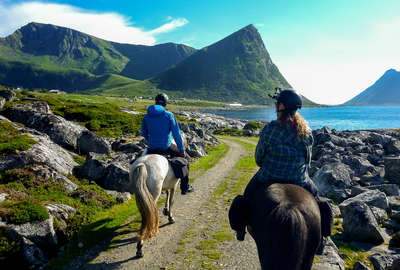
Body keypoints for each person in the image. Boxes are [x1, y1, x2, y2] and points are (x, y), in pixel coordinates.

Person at [243, 88, 332, 248]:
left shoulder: (270, 129)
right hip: (299, 180)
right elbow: (307, 160)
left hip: (268, 177)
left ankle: (240, 228)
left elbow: (259, 158)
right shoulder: (305, 132)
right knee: (320, 202)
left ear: (281, 106)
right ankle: (323, 238)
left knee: (245, 197)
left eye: (277, 103)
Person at [141, 93, 194, 195]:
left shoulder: (146, 116)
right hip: (166, 146)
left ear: (155, 102)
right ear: (165, 103)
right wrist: (182, 151)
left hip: (151, 148)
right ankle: (185, 187)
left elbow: (144, 133)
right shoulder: (169, 115)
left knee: (137, 160)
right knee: (186, 160)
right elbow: (177, 135)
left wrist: (152, 140)